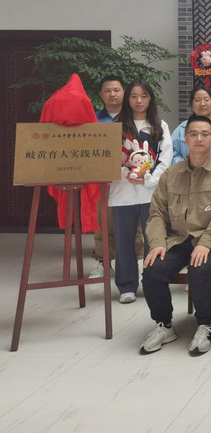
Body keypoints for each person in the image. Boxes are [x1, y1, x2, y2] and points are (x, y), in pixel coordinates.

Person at [139, 115, 211, 355]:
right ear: (185, 138)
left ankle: (204, 325)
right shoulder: (171, 174)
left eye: (205, 134)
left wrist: (206, 242)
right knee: (152, 269)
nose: (199, 139)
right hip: (178, 239)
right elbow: (157, 213)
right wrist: (157, 243)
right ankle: (164, 325)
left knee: (199, 268)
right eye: (194, 134)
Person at [109, 79, 173, 304]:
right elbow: (109, 157)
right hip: (122, 191)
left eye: (144, 96)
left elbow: (165, 158)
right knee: (124, 241)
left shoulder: (159, 125)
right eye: (134, 96)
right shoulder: (116, 125)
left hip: (150, 193)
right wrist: (124, 173)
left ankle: (151, 282)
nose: (139, 101)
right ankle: (126, 286)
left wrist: (149, 178)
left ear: (150, 99)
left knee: (152, 239)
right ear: (128, 98)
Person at [89, 75, 126, 280]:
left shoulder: (133, 118)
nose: (112, 94)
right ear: (101, 95)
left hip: (130, 180)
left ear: (124, 92)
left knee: (134, 226)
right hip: (102, 181)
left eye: (116, 90)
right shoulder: (93, 119)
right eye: (108, 91)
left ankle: (134, 263)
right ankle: (103, 263)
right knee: (102, 223)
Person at [171, 86, 211, 165]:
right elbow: (172, 152)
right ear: (192, 104)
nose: (202, 104)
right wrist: (186, 166)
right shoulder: (182, 128)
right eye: (197, 100)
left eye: (206, 100)